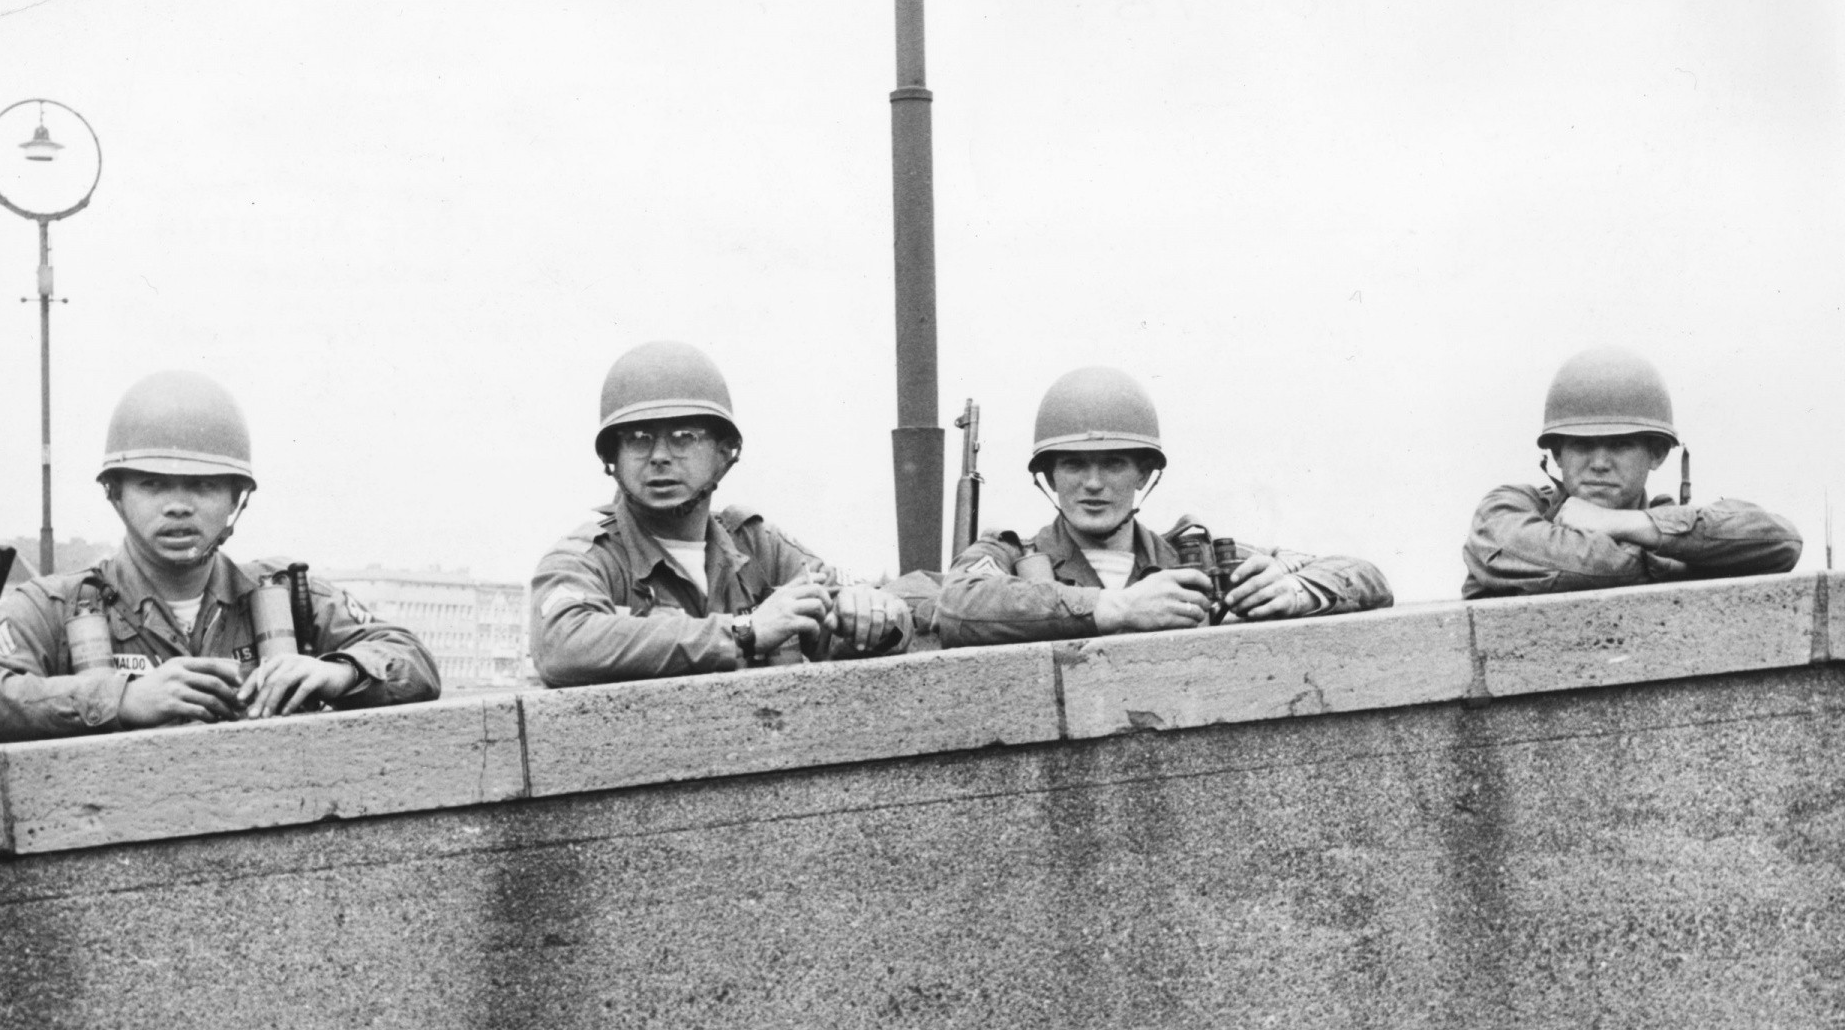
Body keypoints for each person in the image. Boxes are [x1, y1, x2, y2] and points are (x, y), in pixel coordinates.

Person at [0, 372, 441, 748]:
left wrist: (338, 673)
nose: (177, 504)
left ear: (236, 499)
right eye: (152, 484)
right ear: (117, 495)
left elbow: (411, 660)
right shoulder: (56, 606)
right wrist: (122, 700)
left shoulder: (284, 593)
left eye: (202, 486)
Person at [530, 341, 913, 687]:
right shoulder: (590, 558)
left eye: (685, 437)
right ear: (612, 459)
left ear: (723, 453)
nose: (660, 456)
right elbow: (561, 644)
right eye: (638, 439)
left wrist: (875, 615)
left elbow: (850, 628)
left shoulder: (759, 549)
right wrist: (744, 633)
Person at [938, 366, 1392, 646]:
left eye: (1114, 464)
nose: (1093, 484)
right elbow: (958, 603)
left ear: (1143, 474)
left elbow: (1366, 576)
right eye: (1074, 464)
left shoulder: (1194, 557)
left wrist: (1294, 593)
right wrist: (1118, 609)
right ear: (1050, 477)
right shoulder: (1010, 556)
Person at [1461, 347, 1801, 597]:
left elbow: (1781, 541)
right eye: (1581, 445)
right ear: (1557, 454)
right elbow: (1562, 561)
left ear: (1657, 453)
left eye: (1621, 445)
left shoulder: (1663, 518)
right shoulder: (1513, 508)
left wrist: (1622, 524)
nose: (1599, 463)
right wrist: (1678, 561)